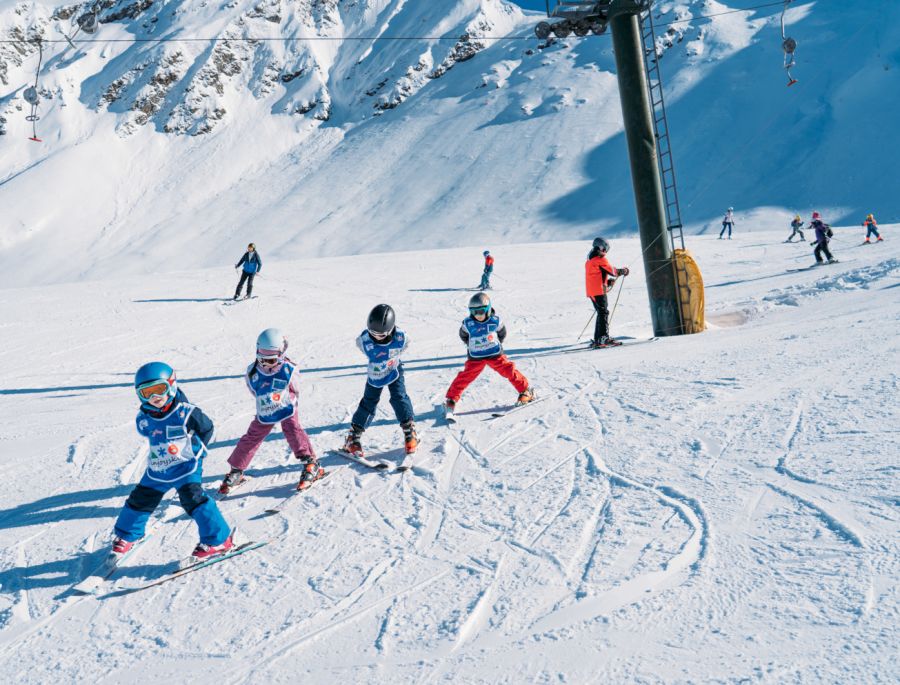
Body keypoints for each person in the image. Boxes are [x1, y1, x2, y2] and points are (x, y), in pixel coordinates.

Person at [113, 362, 233, 562]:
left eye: (159, 389)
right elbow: (148, 431)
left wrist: (199, 449)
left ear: (171, 385)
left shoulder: (186, 412)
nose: (154, 397)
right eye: (147, 393)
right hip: (158, 469)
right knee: (140, 499)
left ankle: (218, 540)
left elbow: (206, 428)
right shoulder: (144, 417)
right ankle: (128, 535)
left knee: (193, 499)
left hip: (186, 466)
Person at [219, 328, 321, 494]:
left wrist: (286, 400)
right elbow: (255, 390)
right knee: (253, 434)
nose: (265, 364)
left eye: (271, 360)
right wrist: (268, 401)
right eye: (262, 359)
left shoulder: (289, 369)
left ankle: (310, 462)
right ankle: (236, 470)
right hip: (266, 407)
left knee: (292, 428)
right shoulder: (252, 371)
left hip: (286, 404)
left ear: (281, 354)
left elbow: (295, 388)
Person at [343, 305, 417, 458]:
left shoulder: (401, 337)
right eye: (373, 333)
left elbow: (406, 345)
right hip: (375, 374)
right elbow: (362, 346)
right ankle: (353, 437)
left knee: (399, 397)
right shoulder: (364, 340)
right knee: (368, 402)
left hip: (394, 370)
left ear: (390, 330)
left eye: (381, 335)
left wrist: (392, 358)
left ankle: (409, 432)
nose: (376, 337)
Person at [444, 293, 534, 413]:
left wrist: (496, 343)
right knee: (465, 377)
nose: (478, 315)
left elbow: (502, 333)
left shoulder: (495, 321)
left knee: (509, 370)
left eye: (481, 311)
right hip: (476, 357)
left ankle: (526, 391)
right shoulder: (468, 323)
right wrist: (472, 344)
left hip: (494, 354)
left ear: (488, 309)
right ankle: (451, 399)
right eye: (474, 312)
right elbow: (463, 335)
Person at [584, 237, 629, 347]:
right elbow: (613, 271)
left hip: (592, 291)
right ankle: (603, 338)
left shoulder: (590, 260)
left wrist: (607, 282)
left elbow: (596, 276)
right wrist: (624, 271)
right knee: (603, 312)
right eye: (605, 249)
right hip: (598, 291)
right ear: (601, 247)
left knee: (601, 312)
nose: (605, 252)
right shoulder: (600, 259)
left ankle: (598, 339)